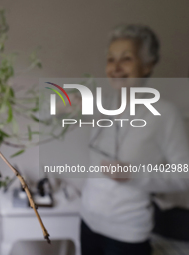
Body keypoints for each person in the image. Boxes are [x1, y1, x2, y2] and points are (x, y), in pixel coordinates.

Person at [80, 24, 189, 255]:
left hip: (126, 235)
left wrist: (133, 174)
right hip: (87, 223)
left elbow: (183, 176)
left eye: (126, 58)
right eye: (111, 59)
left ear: (148, 65)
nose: (116, 67)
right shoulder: (102, 105)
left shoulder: (165, 114)